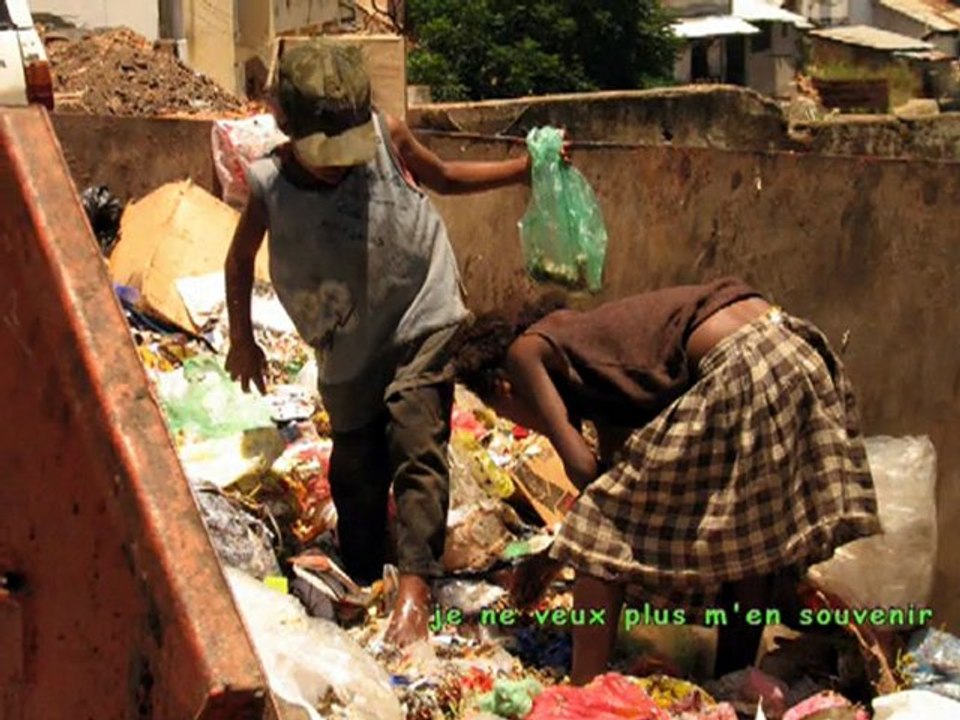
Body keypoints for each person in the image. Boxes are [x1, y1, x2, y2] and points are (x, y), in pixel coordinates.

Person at [224, 39, 566, 646]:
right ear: (285, 127)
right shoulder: (268, 185)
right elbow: (238, 259)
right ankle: (362, 572)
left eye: (348, 147)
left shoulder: (387, 136)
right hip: (345, 344)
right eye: (325, 153)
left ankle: (415, 586)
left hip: (421, 309)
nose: (339, 164)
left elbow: (446, 176)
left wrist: (526, 171)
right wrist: (243, 340)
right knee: (355, 468)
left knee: (416, 434)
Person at [452, 277, 882, 684]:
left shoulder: (524, 355)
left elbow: (587, 476)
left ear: (504, 390)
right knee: (744, 541)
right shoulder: (592, 355)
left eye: (505, 414)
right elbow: (622, 473)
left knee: (598, 530)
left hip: (744, 364)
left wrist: (560, 554)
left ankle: (584, 692)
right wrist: (559, 552)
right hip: (794, 347)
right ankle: (734, 681)